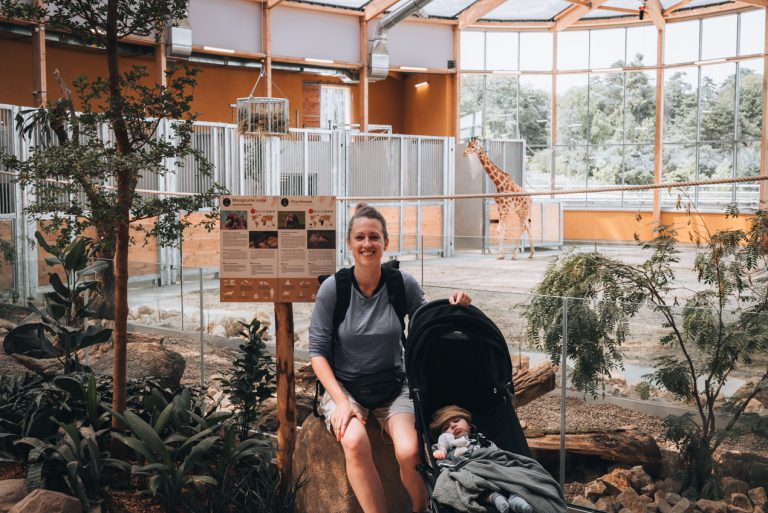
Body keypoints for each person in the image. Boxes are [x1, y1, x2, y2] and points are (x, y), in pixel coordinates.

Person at [309, 203, 471, 513]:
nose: (367, 244)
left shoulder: (401, 284)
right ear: (349, 243)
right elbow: (317, 352)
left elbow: (428, 323)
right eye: (360, 237)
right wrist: (341, 402)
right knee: (354, 441)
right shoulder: (333, 289)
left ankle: (420, 509)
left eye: (374, 237)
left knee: (409, 451)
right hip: (346, 387)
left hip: (393, 384)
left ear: (385, 242)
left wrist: (454, 304)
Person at [429, 405, 567, 513]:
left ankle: (515, 496)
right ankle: (493, 498)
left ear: (469, 425)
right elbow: (442, 458)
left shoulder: (481, 440)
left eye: (456, 421)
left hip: (492, 465)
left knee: (512, 475)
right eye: (446, 428)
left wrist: (497, 460)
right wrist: (440, 452)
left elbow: (497, 454)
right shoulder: (446, 447)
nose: (453, 426)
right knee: (463, 484)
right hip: (468, 469)